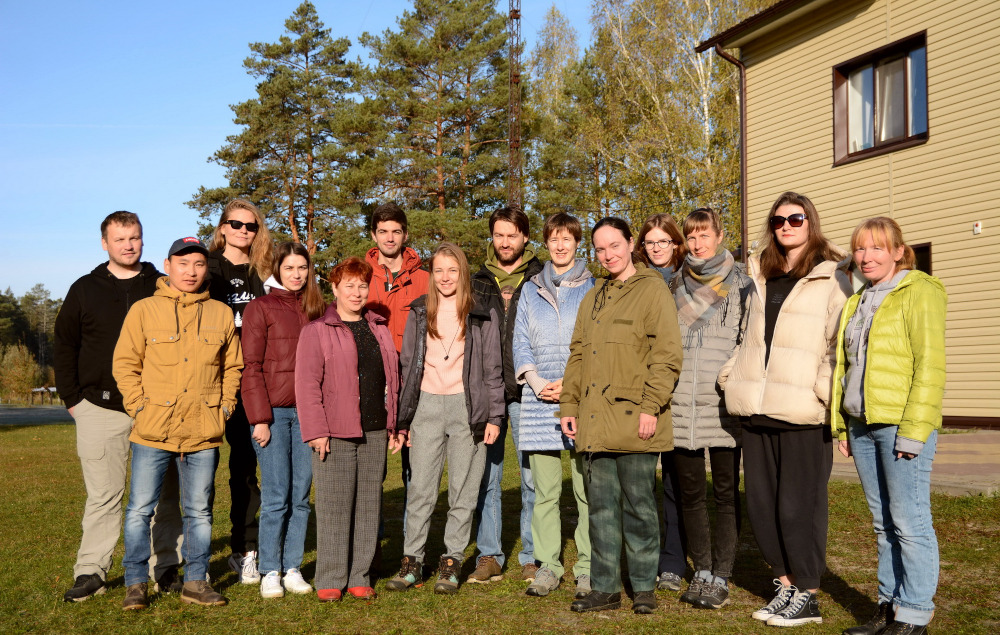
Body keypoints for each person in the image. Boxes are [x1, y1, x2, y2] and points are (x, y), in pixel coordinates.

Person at [719, 191, 852, 627]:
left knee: (800, 506)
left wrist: (820, 391)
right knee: (762, 503)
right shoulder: (759, 273)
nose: (786, 227)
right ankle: (785, 584)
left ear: (810, 222)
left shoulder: (834, 276)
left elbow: (839, 345)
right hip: (756, 408)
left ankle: (808, 594)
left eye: (795, 219)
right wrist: (731, 376)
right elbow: (745, 336)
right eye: (778, 221)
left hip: (801, 411)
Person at [54, 211, 183, 602]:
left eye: (136, 237)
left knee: (164, 494)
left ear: (143, 240)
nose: (129, 245)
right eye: (121, 238)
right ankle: (91, 570)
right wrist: (73, 399)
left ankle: (165, 567)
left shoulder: (161, 286)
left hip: (156, 408)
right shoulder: (84, 289)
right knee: (104, 496)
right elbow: (64, 345)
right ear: (105, 243)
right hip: (99, 407)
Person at [560, 217, 683, 615]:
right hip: (595, 421)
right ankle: (605, 587)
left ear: (632, 244)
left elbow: (667, 356)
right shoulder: (592, 296)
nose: (608, 254)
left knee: (639, 507)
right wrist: (568, 405)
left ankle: (644, 586)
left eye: (615, 245)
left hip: (635, 419)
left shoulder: (653, 291)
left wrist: (651, 406)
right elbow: (578, 355)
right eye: (600, 248)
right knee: (601, 510)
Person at [114, 237, 243, 609]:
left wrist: (224, 407)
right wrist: (139, 407)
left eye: (199, 264)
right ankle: (136, 582)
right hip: (153, 428)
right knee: (141, 509)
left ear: (206, 269)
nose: (191, 271)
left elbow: (232, 366)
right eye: (183, 263)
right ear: (168, 265)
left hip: (203, 431)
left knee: (200, 510)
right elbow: (125, 364)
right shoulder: (144, 310)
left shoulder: (220, 313)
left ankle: (196, 581)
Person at [832, 218, 946, 635]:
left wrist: (915, 431)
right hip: (861, 423)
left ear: (899, 251)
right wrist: (842, 425)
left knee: (909, 521)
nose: (867, 256)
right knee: (883, 524)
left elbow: (929, 366)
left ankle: (915, 614)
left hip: (901, 424)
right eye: (860, 249)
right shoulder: (858, 299)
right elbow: (847, 367)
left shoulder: (919, 291)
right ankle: (889, 607)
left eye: (878, 248)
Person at [387, 243, 504, 595]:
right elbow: (407, 367)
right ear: (432, 275)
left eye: (452, 270)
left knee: (463, 493)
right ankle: (412, 562)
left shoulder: (481, 314)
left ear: (463, 273)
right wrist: (404, 420)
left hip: (469, 410)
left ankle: (451, 562)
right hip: (426, 408)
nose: (446, 277)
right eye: (439, 270)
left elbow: (493, 370)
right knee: (421, 489)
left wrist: (495, 416)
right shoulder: (420, 311)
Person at [295, 257, 401, 602]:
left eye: (361, 285)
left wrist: (394, 423)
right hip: (334, 432)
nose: (356, 292)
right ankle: (330, 576)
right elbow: (307, 384)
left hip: (373, 430)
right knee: (334, 505)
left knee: (369, 506)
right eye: (349, 285)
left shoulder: (378, 328)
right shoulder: (316, 330)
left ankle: (360, 575)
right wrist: (316, 430)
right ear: (335, 288)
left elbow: (391, 379)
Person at [668, 208, 751, 609]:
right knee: (690, 493)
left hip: (722, 405)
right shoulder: (673, 285)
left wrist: (729, 381)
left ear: (720, 235)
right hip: (681, 402)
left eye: (705, 235)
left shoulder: (742, 285)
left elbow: (747, 344)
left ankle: (722, 573)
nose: (698, 243)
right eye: (692, 236)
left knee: (724, 492)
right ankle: (700, 568)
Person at [512, 213, 595, 599]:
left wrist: (571, 385)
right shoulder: (530, 289)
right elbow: (519, 343)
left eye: (568, 239)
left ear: (578, 243)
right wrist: (536, 381)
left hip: (581, 400)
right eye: (554, 239)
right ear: (545, 244)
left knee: (585, 491)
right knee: (544, 492)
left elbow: (596, 345)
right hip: (538, 400)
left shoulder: (594, 287)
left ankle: (588, 567)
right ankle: (548, 565)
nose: (561, 246)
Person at [241, 242, 326, 599]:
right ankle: (270, 570)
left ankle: (292, 567)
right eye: (289, 268)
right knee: (276, 495)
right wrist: (259, 419)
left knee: (301, 495)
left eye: (302, 268)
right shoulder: (260, 308)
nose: (296, 274)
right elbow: (252, 367)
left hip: (308, 415)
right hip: (273, 415)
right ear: (277, 269)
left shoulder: (316, 308)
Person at [469, 205, 544, 584]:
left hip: (529, 389)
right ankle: (489, 554)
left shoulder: (541, 276)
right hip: (488, 390)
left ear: (525, 237)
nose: (505, 242)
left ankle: (531, 555)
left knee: (531, 476)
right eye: (498, 234)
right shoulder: (477, 281)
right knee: (488, 475)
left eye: (512, 234)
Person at [206, 198, 273, 584]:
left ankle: (245, 549)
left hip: (256, 381)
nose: (244, 231)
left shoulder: (264, 271)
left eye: (251, 226)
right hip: (213, 381)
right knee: (200, 471)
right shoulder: (206, 267)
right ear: (223, 227)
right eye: (236, 224)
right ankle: (189, 556)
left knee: (246, 469)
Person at [364, 202, 430, 533]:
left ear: (405, 234)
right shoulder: (359, 278)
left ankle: (411, 549)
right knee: (371, 470)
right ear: (373, 235)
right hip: (372, 384)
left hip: (414, 383)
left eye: (396, 231)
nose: (390, 238)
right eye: (383, 231)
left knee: (415, 470)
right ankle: (368, 551)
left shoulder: (425, 279)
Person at [636, 212, 688, 592]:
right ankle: (645, 556)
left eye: (663, 241)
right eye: (650, 242)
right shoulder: (633, 281)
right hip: (642, 393)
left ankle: (673, 559)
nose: (656, 248)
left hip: (682, 392)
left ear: (676, 244)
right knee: (640, 484)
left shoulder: (689, 282)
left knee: (675, 482)